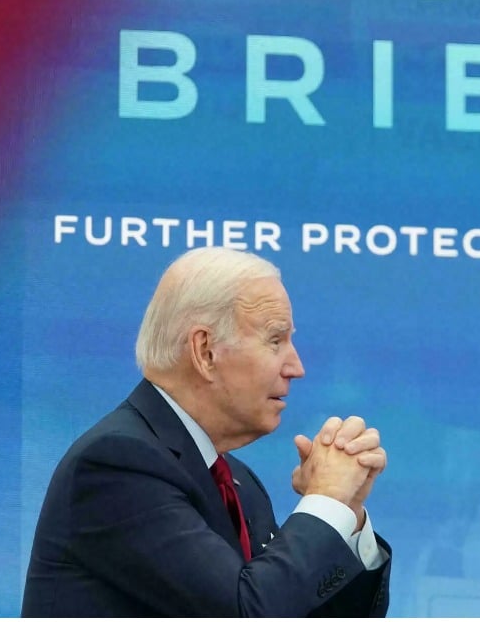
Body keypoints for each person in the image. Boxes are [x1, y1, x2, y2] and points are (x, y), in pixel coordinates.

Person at [22, 247, 391, 616]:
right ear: (205, 351)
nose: (297, 367)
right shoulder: (117, 465)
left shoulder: (240, 483)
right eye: (275, 340)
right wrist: (325, 497)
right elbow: (245, 611)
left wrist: (346, 509)